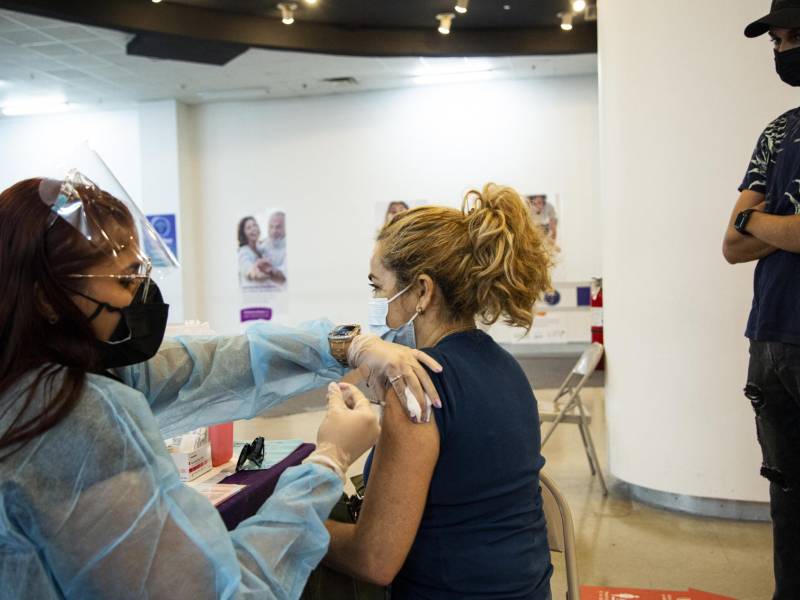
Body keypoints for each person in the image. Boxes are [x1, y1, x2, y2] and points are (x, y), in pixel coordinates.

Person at [0, 170, 443, 600]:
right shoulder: (74, 415)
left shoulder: (34, 375)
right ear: (45, 297)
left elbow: (211, 362)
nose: (139, 295)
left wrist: (346, 344)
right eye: (122, 281)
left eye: (140, 273)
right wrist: (328, 462)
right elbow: (221, 591)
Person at [322, 184, 554, 599]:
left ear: (423, 292)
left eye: (379, 287)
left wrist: (287, 526)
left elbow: (374, 559)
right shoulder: (507, 370)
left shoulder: (417, 390)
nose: (377, 304)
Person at [723, 3, 800, 597]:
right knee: (787, 498)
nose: (783, 50)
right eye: (778, 39)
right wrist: (771, 227)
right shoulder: (780, 129)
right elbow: (730, 242)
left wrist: (759, 220)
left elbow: (748, 224)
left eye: (795, 36)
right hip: (771, 340)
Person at [236, 215, 271, 288]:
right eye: (248, 228)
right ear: (243, 233)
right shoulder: (243, 252)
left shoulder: (260, 248)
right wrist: (256, 274)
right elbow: (247, 268)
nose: (253, 229)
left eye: (255, 225)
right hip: (250, 296)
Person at [261, 210, 287, 290]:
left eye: (278, 227)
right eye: (271, 227)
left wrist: (268, 270)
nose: (273, 231)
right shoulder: (264, 244)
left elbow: (282, 278)